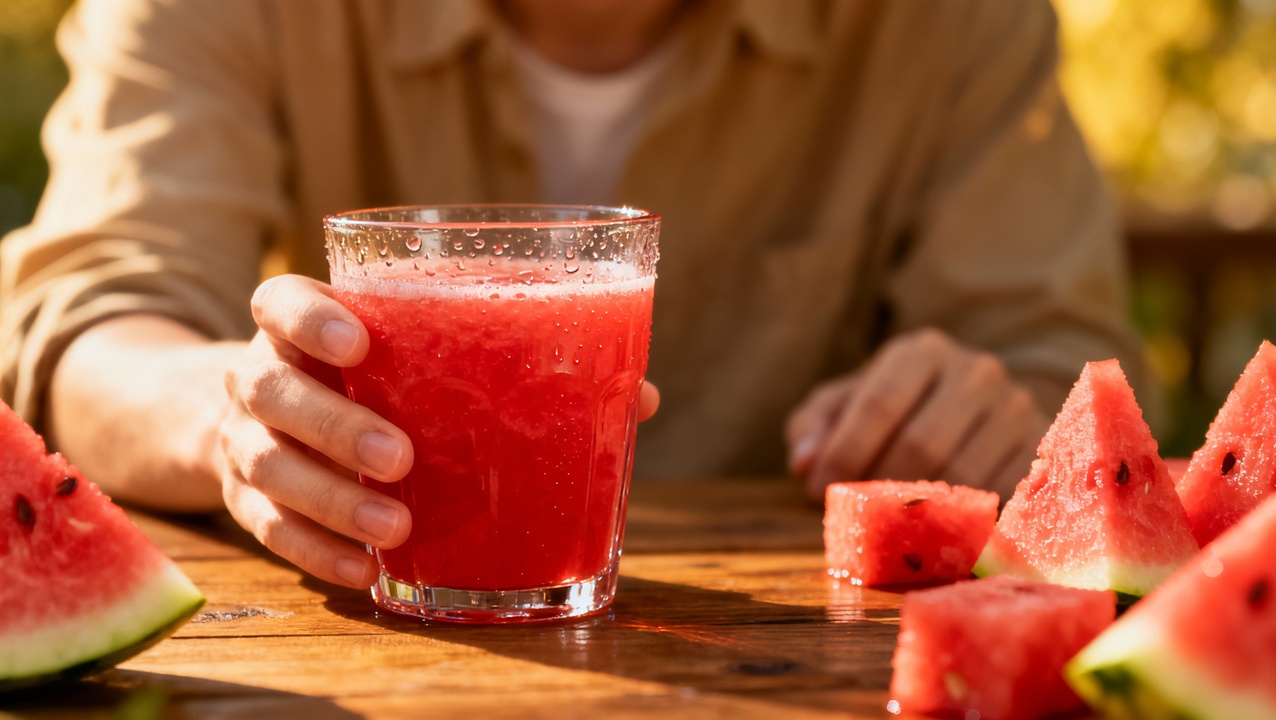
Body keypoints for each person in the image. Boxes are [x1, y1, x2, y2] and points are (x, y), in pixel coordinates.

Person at [0, 0, 1143, 590]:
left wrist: (994, 403)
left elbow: (1060, 371)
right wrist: (230, 416)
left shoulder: (945, 25)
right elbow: (88, 319)